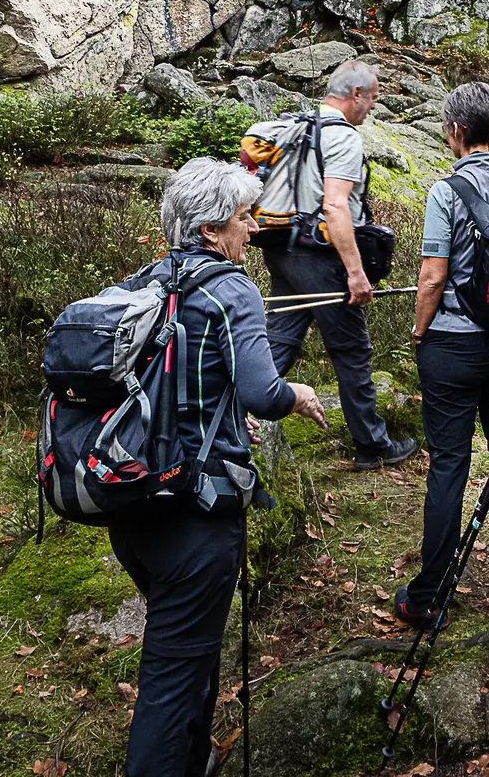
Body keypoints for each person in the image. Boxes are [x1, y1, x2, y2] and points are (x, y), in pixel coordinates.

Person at [109, 158, 328, 777]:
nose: (251, 228)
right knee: (171, 676)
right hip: (195, 516)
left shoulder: (144, 281)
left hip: (131, 505)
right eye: (240, 217)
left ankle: (195, 756)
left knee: (190, 644)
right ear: (209, 230)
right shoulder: (231, 289)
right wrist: (298, 395)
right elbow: (263, 391)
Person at [396, 81, 489, 629]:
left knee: (448, 465)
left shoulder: (445, 192)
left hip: (450, 344)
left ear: (454, 132)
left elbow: (432, 275)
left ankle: (430, 595)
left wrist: (421, 332)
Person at [254, 60, 417, 469]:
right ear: (356, 94)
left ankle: (229, 413)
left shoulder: (299, 126)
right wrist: (356, 273)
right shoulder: (342, 137)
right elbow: (335, 205)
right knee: (352, 350)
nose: (373, 107)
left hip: (281, 249)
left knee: (279, 340)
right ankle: (373, 446)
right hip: (319, 258)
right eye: (374, 97)